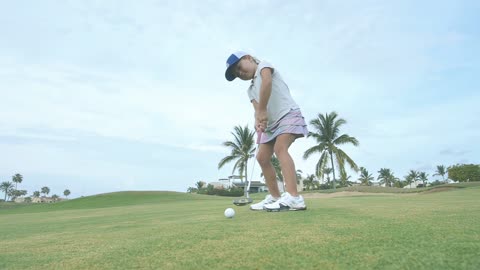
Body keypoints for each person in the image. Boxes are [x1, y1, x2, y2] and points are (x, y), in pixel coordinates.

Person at [224, 51, 308, 212]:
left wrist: (262, 110)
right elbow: (257, 110)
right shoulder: (250, 91)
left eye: (240, 68)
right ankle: (276, 197)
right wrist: (258, 121)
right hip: (271, 125)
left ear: (248, 58)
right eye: (237, 74)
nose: (240, 73)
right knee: (262, 157)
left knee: (280, 148)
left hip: (287, 114)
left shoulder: (264, 65)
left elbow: (267, 83)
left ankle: (294, 198)